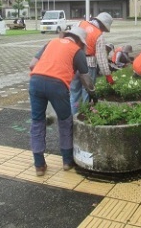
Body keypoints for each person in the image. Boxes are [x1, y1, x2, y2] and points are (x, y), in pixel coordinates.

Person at [28, 26, 96, 176]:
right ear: (79, 40)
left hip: (35, 81)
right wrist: (93, 94)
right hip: (58, 86)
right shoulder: (77, 51)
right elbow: (86, 79)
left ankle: (39, 165)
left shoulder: (51, 42)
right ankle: (66, 161)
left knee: (37, 122)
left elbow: (32, 64)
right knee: (65, 122)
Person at [70, 12, 114, 115]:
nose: (103, 30)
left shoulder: (80, 24)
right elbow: (101, 59)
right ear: (103, 24)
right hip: (88, 65)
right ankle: (84, 117)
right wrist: (108, 75)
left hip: (74, 63)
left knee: (74, 93)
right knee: (87, 93)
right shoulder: (99, 35)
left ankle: (72, 119)